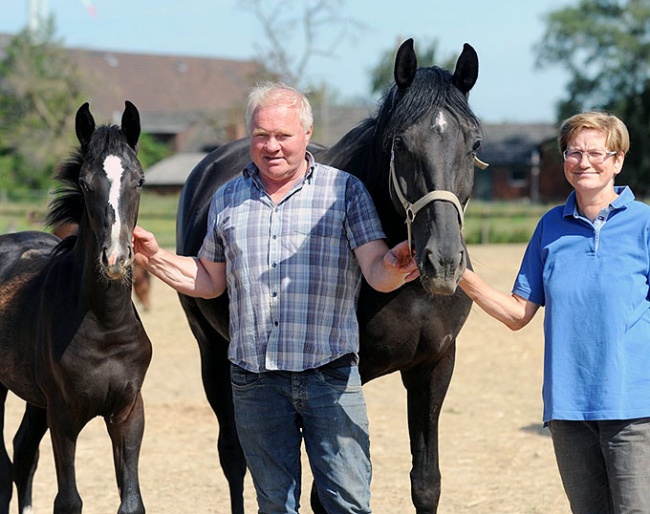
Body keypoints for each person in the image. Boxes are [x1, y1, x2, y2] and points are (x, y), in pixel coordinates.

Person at [133, 82, 419, 514]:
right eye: (261, 135)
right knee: (274, 505)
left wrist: (396, 268)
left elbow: (376, 271)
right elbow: (210, 280)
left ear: (307, 134)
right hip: (256, 382)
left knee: (349, 503)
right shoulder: (228, 197)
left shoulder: (345, 192)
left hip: (331, 379)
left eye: (283, 135)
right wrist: (155, 257)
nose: (271, 146)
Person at [459, 111, 650, 513]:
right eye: (574, 152)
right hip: (568, 409)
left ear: (617, 160)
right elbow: (516, 313)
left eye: (596, 152)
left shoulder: (644, 224)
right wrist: (459, 273)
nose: (584, 162)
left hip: (635, 409)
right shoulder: (550, 227)